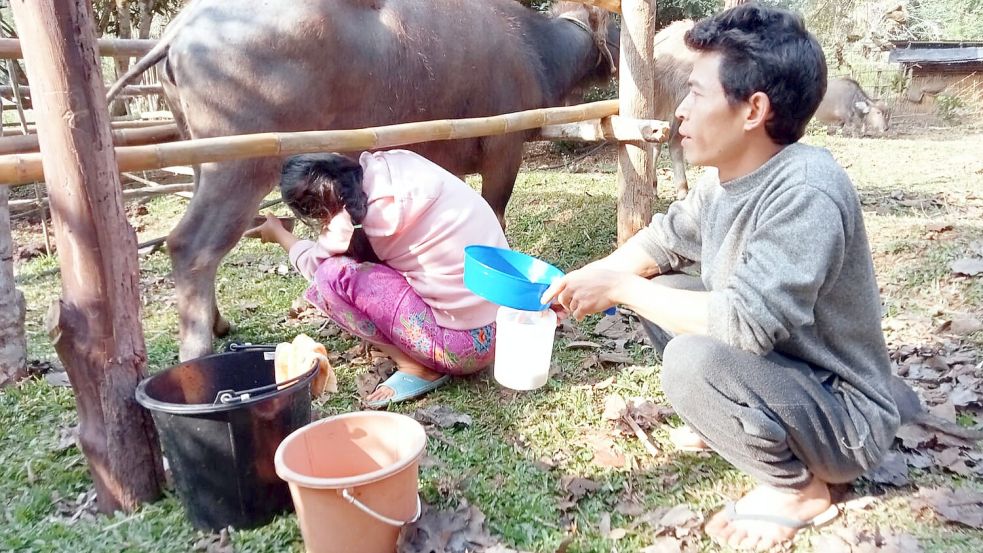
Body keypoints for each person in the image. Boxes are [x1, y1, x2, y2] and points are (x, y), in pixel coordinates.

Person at [542, 4, 901, 550]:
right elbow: (661, 241)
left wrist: (619, 290)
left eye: (696, 93)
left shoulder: (806, 190)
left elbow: (745, 325)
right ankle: (753, 426)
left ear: (753, 109)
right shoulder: (727, 180)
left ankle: (799, 489)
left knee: (690, 359)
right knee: (664, 294)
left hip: (846, 418)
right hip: (792, 377)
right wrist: (586, 278)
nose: (680, 111)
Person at [246, 149, 508, 408]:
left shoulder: (353, 225)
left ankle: (416, 366)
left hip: (463, 350)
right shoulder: (394, 163)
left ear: (317, 212)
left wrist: (279, 233)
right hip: (508, 322)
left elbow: (315, 266)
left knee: (331, 277)